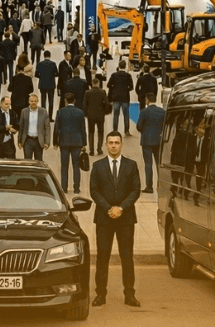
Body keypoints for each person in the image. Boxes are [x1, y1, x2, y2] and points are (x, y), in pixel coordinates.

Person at [90, 131, 141, 308]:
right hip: (104, 219)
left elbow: (135, 190)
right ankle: (100, 294)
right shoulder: (97, 166)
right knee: (102, 258)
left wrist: (121, 208)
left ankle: (130, 294)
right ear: (106, 145)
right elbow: (94, 190)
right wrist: (108, 208)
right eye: (110, 142)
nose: (113, 146)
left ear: (121, 145)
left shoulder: (131, 165)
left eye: (116, 142)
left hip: (125, 218)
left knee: (127, 257)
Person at [53, 93, 87, 193]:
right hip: (77, 142)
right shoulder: (80, 112)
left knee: (64, 165)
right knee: (76, 165)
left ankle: (64, 188)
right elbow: (83, 129)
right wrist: (84, 143)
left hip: (64, 142)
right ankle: (76, 188)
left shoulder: (60, 112)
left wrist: (55, 142)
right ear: (74, 101)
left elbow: (56, 128)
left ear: (65, 101)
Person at [135, 92, 166, 194]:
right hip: (159, 141)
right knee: (158, 164)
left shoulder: (144, 112)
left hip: (147, 141)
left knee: (148, 164)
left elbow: (139, 126)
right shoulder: (162, 111)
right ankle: (161, 185)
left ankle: (149, 187)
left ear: (147, 100)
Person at [18, 94, 50, 161]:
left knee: (38, 161)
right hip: (27, 140)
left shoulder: (43, 111)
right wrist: (19, 141)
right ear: (29, 101)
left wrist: (47, 142)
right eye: (32, 101)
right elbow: (21, 127)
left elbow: (47, 127)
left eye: (35, 101)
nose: (33, 103)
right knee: (27, 161)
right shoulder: (24, 111)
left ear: (38, 101)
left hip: (38, 140)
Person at [108, 60, 134, 136]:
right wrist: (126, 89)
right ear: (125, 66)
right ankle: (126, 131)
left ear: (119, 66)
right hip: (125, 98)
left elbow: (109, 85)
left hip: (116, 98)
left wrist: (114, 88)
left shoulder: (114, 75)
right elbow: (131, 87)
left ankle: (115, 130)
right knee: (126, 115)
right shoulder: (128, 76)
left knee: (116, 115)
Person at [84, 78, 109, 156]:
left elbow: (85, 104)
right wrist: (105, 112)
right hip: (100, 115)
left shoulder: (87, 92)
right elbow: (106, 103)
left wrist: (86, 114)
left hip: (90, 115)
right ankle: (99, 149)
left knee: (91, 132)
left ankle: (91, 150)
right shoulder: (102, 92)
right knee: (100, 132)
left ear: (92, 83)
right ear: (98, 83)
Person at [35, 51, 58, 116]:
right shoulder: (53, 64)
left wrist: (41, 77)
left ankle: (43, 115)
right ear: (50, 56)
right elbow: (56, 73)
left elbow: (36, 74)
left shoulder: (39, 64)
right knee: (51, 101)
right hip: (51, 84)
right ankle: (50, 116)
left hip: (43, 84)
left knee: (43, 101)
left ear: (44, 55)